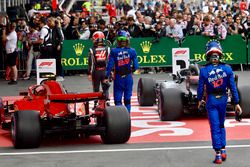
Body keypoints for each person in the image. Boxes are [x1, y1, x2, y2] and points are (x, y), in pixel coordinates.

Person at [197, 40, 243, 164]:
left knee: (215, 126)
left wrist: (199, 100)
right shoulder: (227, 69)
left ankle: (218, 154)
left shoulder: (203, 70)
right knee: (221, 124)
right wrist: (236, 103)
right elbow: (233, 88)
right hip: (223, 99)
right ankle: (223, 150)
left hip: (211, 100)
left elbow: (200, 89)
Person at [104, 30, 139, 113]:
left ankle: (120, 117)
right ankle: (127, 116)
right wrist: (131, 70)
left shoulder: (114, 51)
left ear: (118, 40)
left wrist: (106, 76)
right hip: (128, 77)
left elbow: (109, 66)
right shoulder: (132, 51)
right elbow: (136, 66)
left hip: (118, 78)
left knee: (117, 99)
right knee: (127, 99)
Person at [87, 31, 110, 109]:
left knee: (96, 88)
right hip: (105, 71)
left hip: (96, 72)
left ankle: (96, 103)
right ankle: (107, 101)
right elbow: (109, 62)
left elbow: (91, 63)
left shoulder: (91, 49)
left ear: (97, 39)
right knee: (105, 87)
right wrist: (110, 72)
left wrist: (89, 73)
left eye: (94, 39)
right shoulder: (108, 48)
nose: (93, 41)